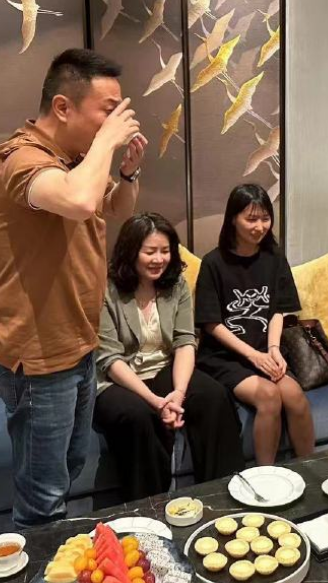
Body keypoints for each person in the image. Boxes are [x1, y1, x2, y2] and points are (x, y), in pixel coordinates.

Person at [0, 48, 148, 528]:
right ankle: (37, 559)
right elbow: (77, 201)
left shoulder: (72, 159)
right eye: (107, 110)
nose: (116, 121)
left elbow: (116, 208)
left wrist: (127, 172)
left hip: (77, 345)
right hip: (38, 357)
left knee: (69, 468)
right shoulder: (19, 159)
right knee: (43, 497)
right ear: (62, 106)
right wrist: (106, 144)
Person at [94, 213, 245, 501]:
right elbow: (109, 360)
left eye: (165, 251)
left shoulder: (176, 285)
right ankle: (149, 508)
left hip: (163, 367)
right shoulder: (106, 289)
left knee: (213, 397)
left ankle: (222, 497)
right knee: (139, 416)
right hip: (118, 378)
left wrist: (179, 393)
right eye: (150, 252)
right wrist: (155, 401)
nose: (159, 259)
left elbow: (185, 341)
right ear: (130, 251)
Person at [195, 184, 315, 466]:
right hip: (224, 357)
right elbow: (211, 324)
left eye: (265, 218)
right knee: (269, 396)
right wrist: (253, 356)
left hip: (264, 351)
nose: (259, 226)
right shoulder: (213, 263)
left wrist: (273, 349)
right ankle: (265, 477)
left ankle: (311, 470)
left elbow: (278, 310)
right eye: (251, 219)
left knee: (295, 397)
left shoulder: (274, 258)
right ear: (233, 219)